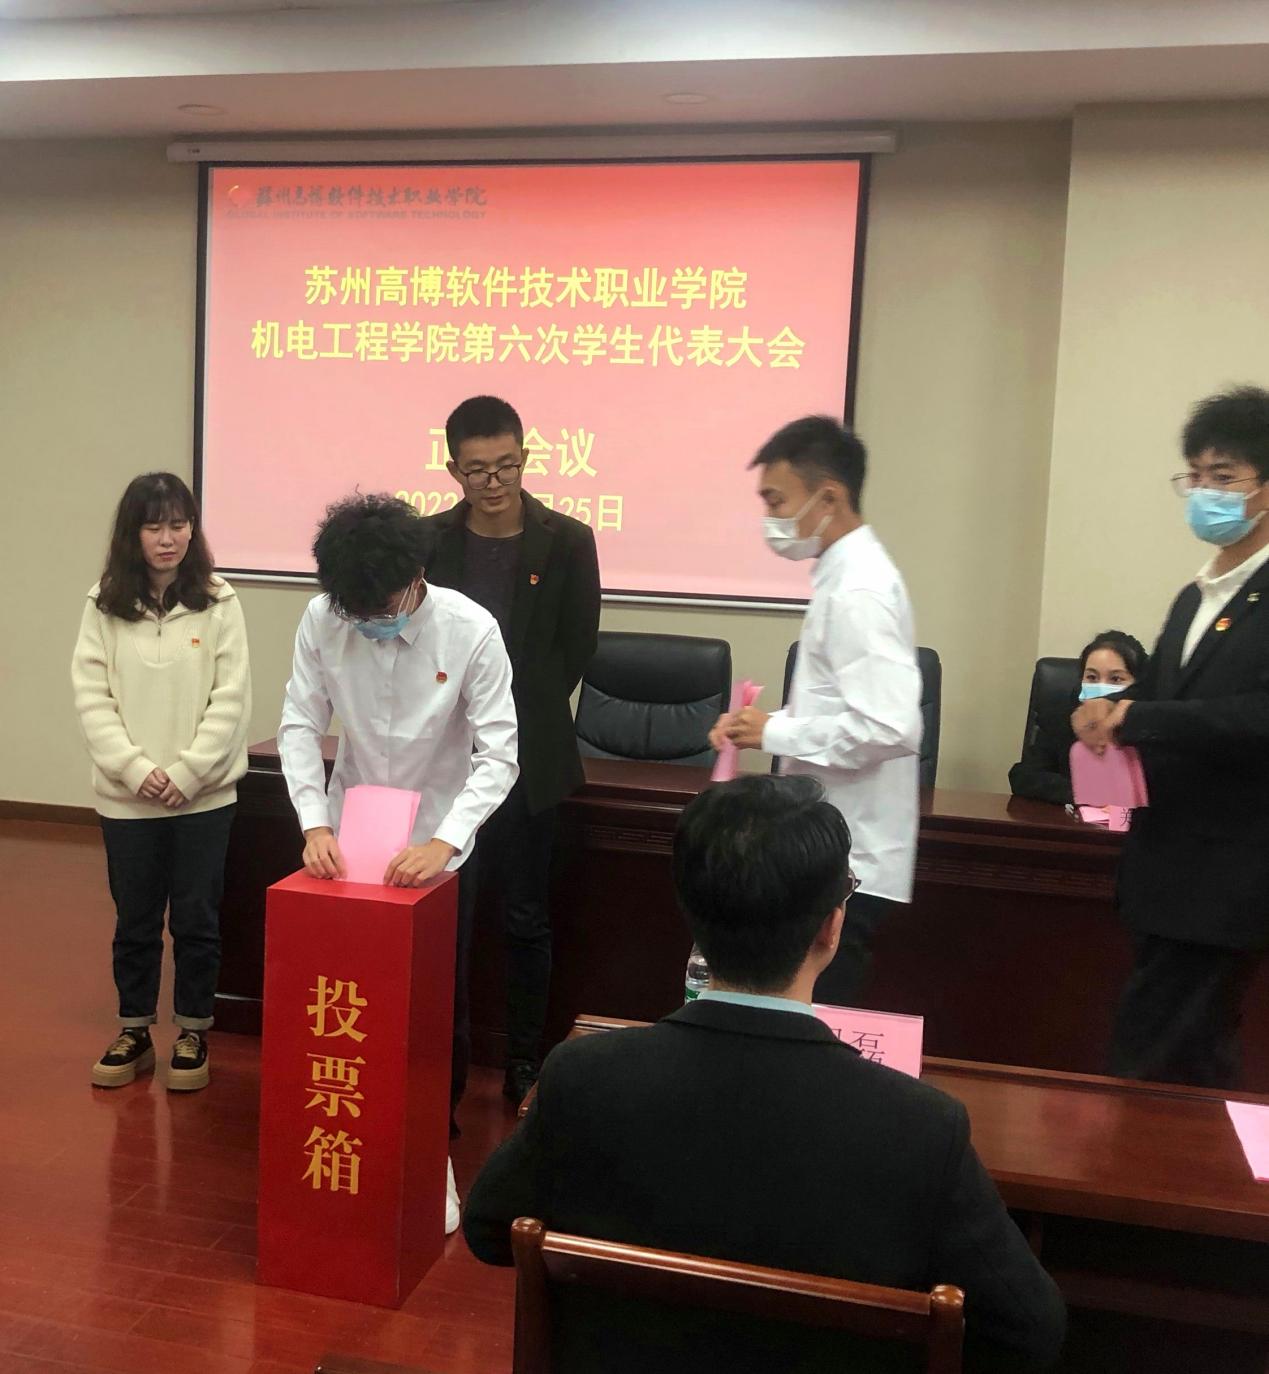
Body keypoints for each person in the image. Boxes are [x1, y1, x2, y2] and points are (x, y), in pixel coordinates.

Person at [464, 775, 1066, 1374]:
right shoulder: (922, 1127)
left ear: (689, 914)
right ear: (831, 926)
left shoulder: (584, 1077)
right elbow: (1030, 1329)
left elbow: (489, 1231)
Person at [277, 492, 518, 1232]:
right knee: (349, 994)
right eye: (355, 612)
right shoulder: (325, 618)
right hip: (349, 839)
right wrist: (314, 822)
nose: (369, 622)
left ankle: (429, 1142)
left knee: (437, 1001)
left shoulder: (470, 630)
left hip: (439, 842)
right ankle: (352, 1127)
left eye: (380, 608)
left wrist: (445, 841)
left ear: (415, 576)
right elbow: (298, 723)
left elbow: (499, 754)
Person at [1074, 386, 1269, 1088]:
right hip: (1163, 867)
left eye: (1224, 477)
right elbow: (1159, 698)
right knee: (1187, 1064)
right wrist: (1103, 710)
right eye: (1195, 476)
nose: (1205, 493)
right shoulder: (1195, 595)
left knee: (1153, 1060)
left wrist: (1137, 717)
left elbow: (1257, 715)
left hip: (1226, 875)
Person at [419, 396, 600, 1104]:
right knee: (447, 919)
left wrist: (508, 716)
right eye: (477, 470)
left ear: (525, 459)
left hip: (529, 758)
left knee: (526, 918)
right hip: (445, 760)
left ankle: (524, 1061)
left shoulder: (568, 540)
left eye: (506, 467)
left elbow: (575, 648)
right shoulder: (430, 542)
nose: (493, 483)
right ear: (452, 470)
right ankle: (443, 1066)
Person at [710, 416, 922, 1007]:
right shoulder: (841, 575)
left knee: (818, 1020)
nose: (770, 519)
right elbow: (844, 707)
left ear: (828, 497)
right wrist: (763, 728)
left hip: (848, 855)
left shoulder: (859, 590)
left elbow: (890, 726)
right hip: (828, 845)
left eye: (777, 501)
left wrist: (775, 732)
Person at [72, 472, 252, 1092]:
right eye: (154, 526)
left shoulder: (220, 600)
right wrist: (135, 770)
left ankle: (193, 1030)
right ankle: (134, 1030)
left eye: (179, 524)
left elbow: (231, 699)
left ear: (192, 530)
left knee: (197, 919)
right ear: (134, 534)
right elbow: (92, 697)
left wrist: (186, 772)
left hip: (204, 798)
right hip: (128, 801)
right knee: (135, 921)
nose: (168, 538)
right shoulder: (102, 603)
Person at [1009, 630, 1148, 805]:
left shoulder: (1150, 726)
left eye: (1115, 679)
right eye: (1092, 677)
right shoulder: (1061, 718)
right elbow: (1023, 776)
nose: (1101, 687)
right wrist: (1084, 792)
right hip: (1072, 819)